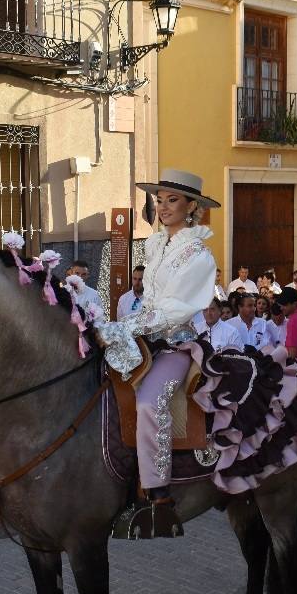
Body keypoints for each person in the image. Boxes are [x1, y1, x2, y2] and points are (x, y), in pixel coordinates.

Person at [96, 169, 219, 526]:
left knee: (150, 402)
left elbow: (177, 309)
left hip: (176, 346)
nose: (163, 208)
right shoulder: (156, 245)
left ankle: (158, 495)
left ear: (192, 206)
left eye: (172, 200)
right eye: (159, 200)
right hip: (143, 341)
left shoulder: (199, 256)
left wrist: (126, 326)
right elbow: (148, 300)